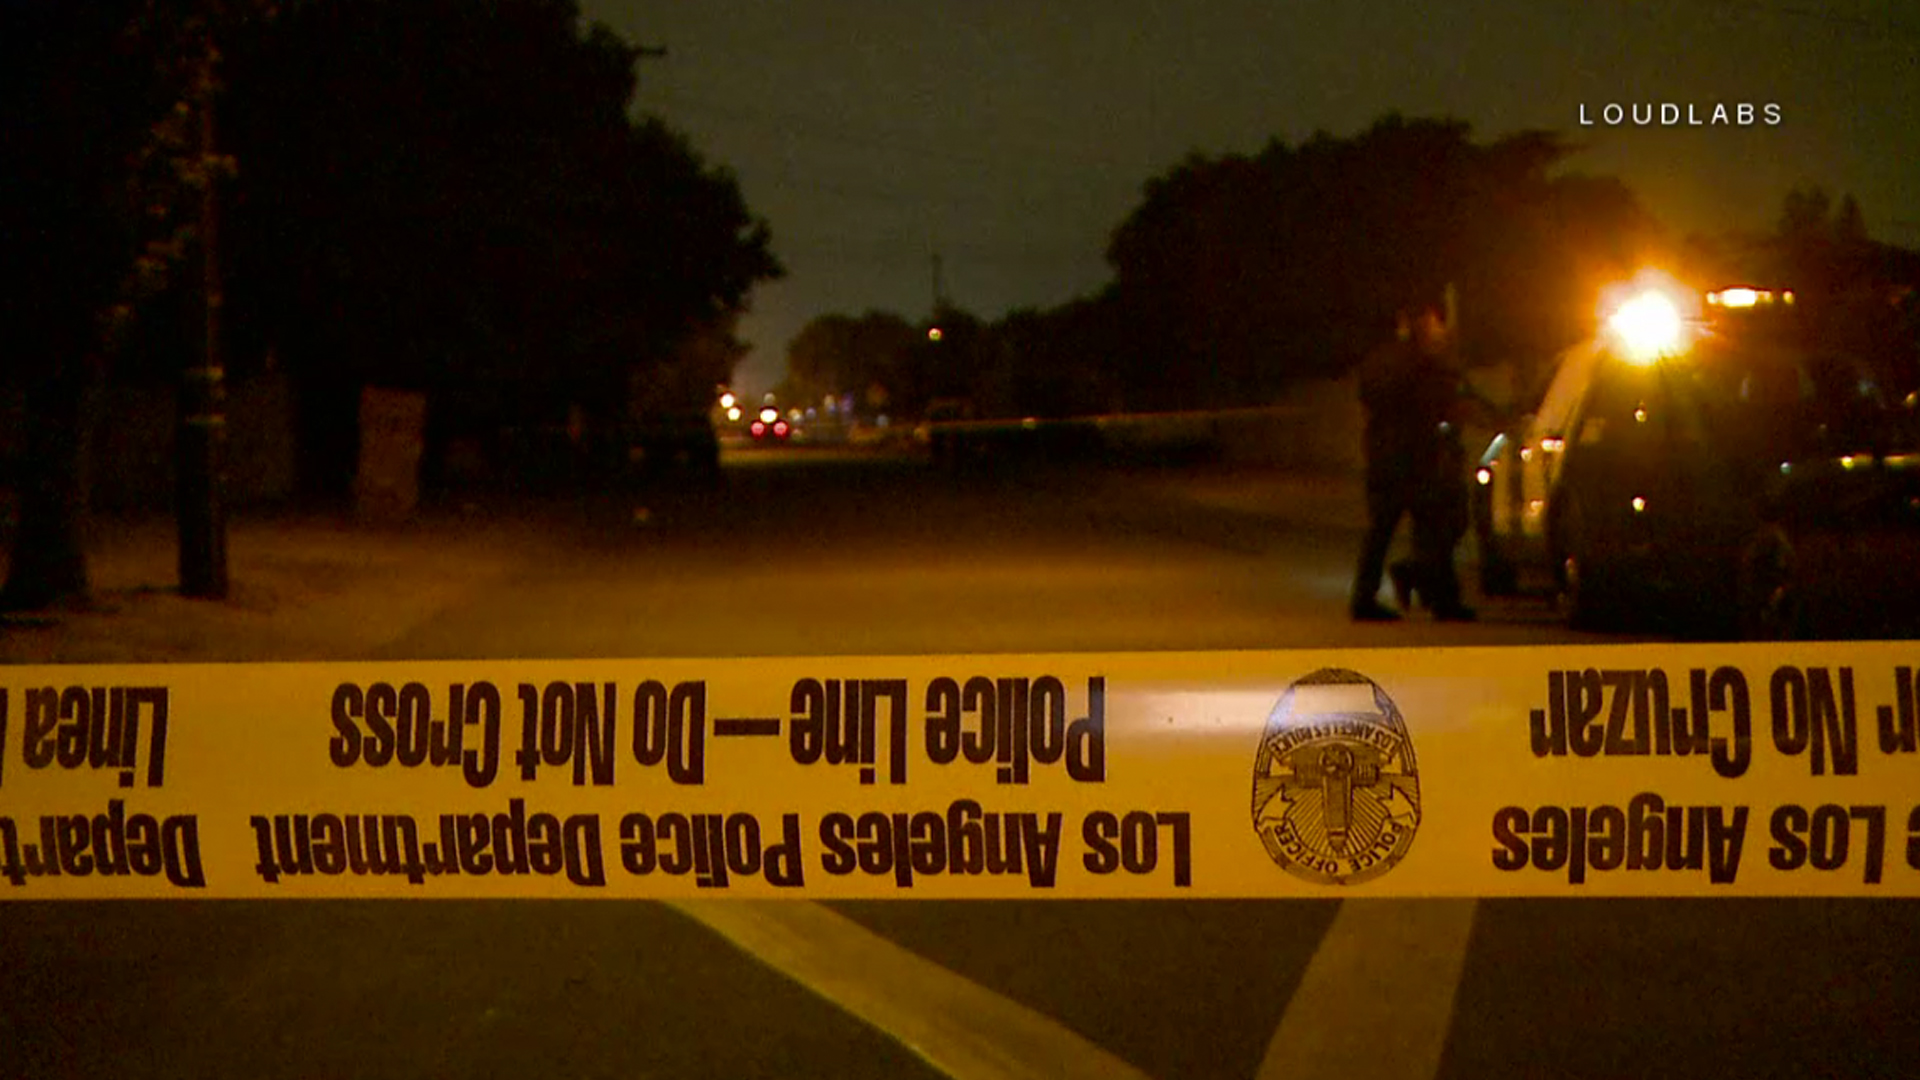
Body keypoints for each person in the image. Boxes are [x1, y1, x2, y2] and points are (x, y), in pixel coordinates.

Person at [1351, 301, 1483, 622]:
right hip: (1417, 459)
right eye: (1434, 324)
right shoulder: (1426, 366)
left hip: (1385, 457)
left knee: (1381, 532)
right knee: (1434, 530)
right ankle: (1442, 599)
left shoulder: (1381, 361)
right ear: (1420, 326)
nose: (1439, 330)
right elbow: (1444, 407)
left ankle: (1364, 598)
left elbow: (1369, 398)